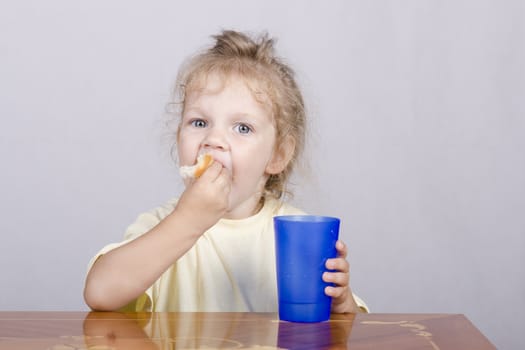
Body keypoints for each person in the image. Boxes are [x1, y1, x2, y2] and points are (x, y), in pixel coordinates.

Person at [83, 30, 368, 313]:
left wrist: (341, 305)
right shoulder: (162, 225)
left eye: (242, 128)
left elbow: (350, 336)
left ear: (278, 155)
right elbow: (99, 293)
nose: (213, 140)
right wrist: (187, 222)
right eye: (199, 122)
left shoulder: (297, 233)